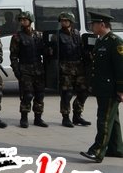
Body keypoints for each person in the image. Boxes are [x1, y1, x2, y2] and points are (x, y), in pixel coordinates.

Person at [80, 11, 123, 163]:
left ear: (102, 25)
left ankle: (97, 151)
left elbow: (121, 68)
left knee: (104, 120)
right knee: (112, 119)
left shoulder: (115, 42)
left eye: (93, 24)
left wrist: (121, 90)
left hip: (110, 89)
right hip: (102, 88)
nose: (91, 26)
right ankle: (116, 149)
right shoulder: (100, 41)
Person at [50, 12, 91, 128]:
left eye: (66, 21)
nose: (64, 23)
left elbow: (81, 48)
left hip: (78, 66)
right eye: (62, 21)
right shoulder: (57, 35)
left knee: (84, 91)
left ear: (71, 22)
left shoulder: (77, 33)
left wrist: (88, 54)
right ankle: (66, 117)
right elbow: (53, 53)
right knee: (66, 93)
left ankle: (77, 115)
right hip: (65, 67)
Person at [9, 11, 48, 129]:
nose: (22, 22)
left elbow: (44, 51)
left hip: (38, 69)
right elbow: (13, 56)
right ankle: (24, 117)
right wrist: (17, 71)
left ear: (30, 21)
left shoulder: (39, 35)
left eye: (25, 20)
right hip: (25, 69)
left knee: (40, 94)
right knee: (27, 94)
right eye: (21, 20)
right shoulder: (17, 37)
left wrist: (49, 50)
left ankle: (38, 118)